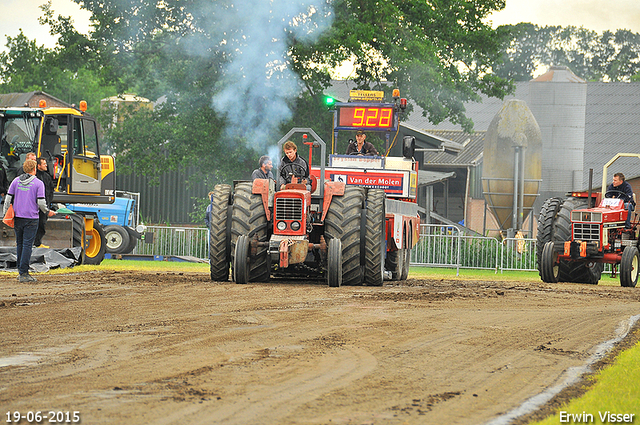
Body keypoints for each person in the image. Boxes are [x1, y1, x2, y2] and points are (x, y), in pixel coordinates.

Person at [2, 159, 56, 282]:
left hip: (18, 218)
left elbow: (8, 199)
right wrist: (47, 212)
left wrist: (6, 213)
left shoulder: (16, 181)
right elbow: (41, 202)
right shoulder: (38, 183)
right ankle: (24, 273)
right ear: (34, 169)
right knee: (27, 245)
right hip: (31, 218)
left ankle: (21, 271)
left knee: (20, 244)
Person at [34, 157, 55, 248]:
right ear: (38, 166)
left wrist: (49, 201)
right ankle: (34, 243)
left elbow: (51, 190)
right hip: (34, 206)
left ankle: (38, 243)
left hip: (45, 205)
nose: (46, 165)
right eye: (44, 164)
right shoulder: (34, 177)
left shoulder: (47, 176)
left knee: (42, 224)